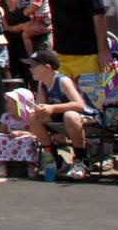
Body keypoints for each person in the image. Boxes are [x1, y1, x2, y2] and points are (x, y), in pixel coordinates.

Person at [23, 48, 99, 181]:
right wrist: (39, 109)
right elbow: (42, 107)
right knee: (34, 117)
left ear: (47, 67)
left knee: (70, 115)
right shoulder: (42, 84)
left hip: (85, 117)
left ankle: (81, 160)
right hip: (61, 117)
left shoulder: (63, 81)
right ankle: (53, 158)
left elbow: (80, 105)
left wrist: (52, 108)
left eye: (34, 66)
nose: (31, 69)